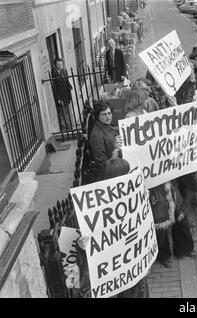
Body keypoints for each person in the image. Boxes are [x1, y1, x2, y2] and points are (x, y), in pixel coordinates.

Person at [75, 158, 149, 298]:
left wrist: (144, 204)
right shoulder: (93, 209)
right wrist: (81, 246)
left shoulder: (136, 197)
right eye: (127, 174)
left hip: (136, 271)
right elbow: (92, 251)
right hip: (116, 279)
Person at [89, 101, 121, 174]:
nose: (108, 117)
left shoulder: (106, 125)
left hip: (117, 161)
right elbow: (101, 163)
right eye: (104, 114)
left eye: (109, 113)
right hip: (111, 170)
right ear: (97, 116)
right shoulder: (96, 134)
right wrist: (114, 154)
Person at [51, 57, 73, 131]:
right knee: (62, 114)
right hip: (60, 96)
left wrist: (70, 87)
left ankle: (69, 128)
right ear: (55, 65)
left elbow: (66, 82)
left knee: (67, 112)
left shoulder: (64, 71)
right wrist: (58, 98)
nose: (60, 66)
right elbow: (55, 88)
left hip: (66, 95)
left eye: (61, 64)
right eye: (58, 64)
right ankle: (64, 129)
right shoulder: (54, 73)